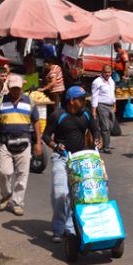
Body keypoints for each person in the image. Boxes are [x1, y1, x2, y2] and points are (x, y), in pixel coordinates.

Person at [42, 85, 101, 243]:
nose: (84, 101)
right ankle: (60, 228)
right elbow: (46, 136)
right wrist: (55, 146)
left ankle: (77, 227)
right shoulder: (57, 115)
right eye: (81, 99)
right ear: (72, 101)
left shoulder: (86, 114)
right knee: (61, 193)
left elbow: (95, 130)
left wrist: (97, 139)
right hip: (61, 158)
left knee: (84, 194)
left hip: (81, 159)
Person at [0, 74, 41, 216]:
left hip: (24, 142)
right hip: (5, 142)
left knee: (22, 175)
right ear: (9, 88)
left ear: (21, 87)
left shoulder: (29, 101)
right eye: (13, 89)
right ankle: (6, 195)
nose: (15, 91)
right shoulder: (1, 101)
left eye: (18, 88)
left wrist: (38, 142)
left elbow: (36, 122)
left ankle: (18, 203)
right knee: (4, 172)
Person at [91, 65, 116, 153]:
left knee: (111, 126)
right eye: (105, 72)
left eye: (109, 72)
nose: (107, 74)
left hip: (110, 106)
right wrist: (94, 110)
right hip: (102, 106)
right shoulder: (97, 82)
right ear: (102, 72)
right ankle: (106, 147)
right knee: (105, 127)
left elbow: (113, 93)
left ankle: (101, 142)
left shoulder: (111, 81)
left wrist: (114, 104)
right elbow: (94, 96)